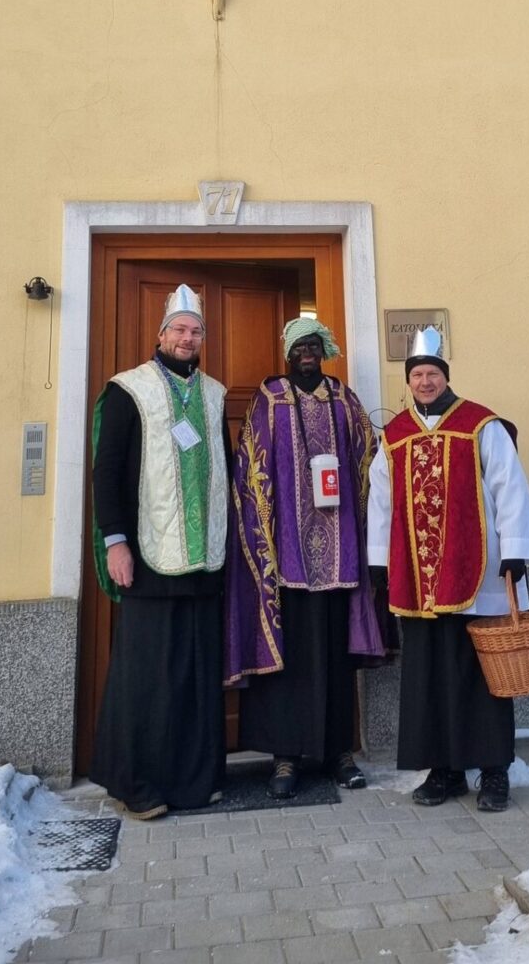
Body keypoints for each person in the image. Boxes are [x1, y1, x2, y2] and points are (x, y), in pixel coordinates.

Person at [367, 327, 529, 812]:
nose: (425, 382)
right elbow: (381, 501)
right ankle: (443, 771)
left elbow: (509, 486)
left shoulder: (480, 424)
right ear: (408, 381)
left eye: (432, 374)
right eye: (417, 375)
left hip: (478, 574)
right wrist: (379, 560)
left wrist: (515, 550)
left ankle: (494, 771)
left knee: (482, 678)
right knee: (428, 676)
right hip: (418, 578)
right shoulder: (395, 436)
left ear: (445, 376)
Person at [225, 316, 384, 798]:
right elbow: (250, 465)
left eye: (314, 345)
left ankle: (339, 754)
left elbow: (369, 458)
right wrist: (262, 536)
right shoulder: (269, 398)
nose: (307, 354)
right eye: (300, 347)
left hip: (339, 555)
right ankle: (284, 758)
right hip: (286, 556)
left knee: (335, 656)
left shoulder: (344, 399)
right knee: (288, 659)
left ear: (324, 351)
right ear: (288, 354)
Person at [90, 284, 230, 819]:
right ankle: (135, 784)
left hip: (204, 561)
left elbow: (226, 469)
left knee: (195, 674)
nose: (187, 338)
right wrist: (115, 542)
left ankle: (194, 781)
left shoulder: (214, 394)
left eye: (196, 331)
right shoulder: (129, 389)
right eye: (179, 329)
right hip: (148, 558)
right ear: (161, 333)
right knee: (147, 677)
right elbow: (106, 471)